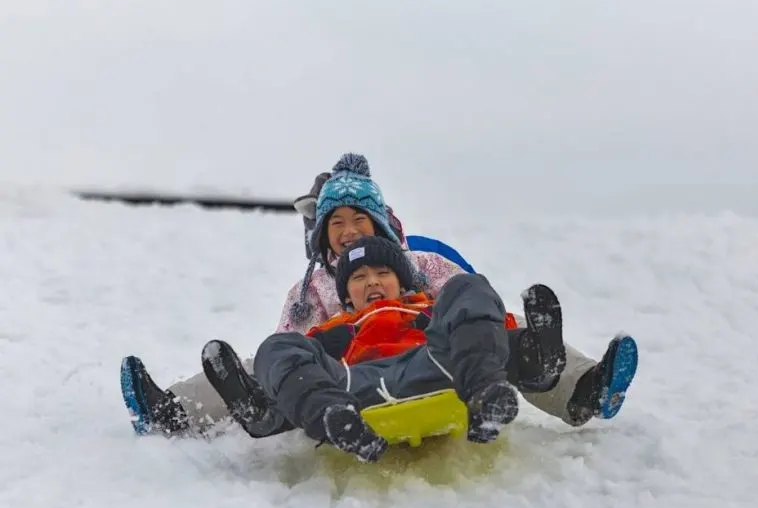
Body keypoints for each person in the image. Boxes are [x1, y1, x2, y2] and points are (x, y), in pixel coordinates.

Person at [121, 153, 638, 438]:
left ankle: (581, 388)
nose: (347, 232)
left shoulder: (425, 264)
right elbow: (290, 349)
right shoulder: (314, 292)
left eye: (358, 220)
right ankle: (175, 412)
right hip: (354, 372)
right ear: (320, 234)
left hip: (439, 360)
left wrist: (505, 345)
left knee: (509, 332)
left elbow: (477, 315)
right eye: (335, 224)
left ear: (381, 224)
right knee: (265, 359)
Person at [204, 236, 635, 463]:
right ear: (345, 294)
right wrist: (307, 359)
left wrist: (518, 348)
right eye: (358, 278)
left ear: (402, 280)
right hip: (355, 388)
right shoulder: (336, 327)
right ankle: (313, 418)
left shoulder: (429, 308)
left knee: (470, 288)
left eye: (382, 272)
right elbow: (295, 362)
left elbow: (489, 327)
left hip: (439, 367)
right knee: (279, 348)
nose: (372, 281)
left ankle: (503, 387)